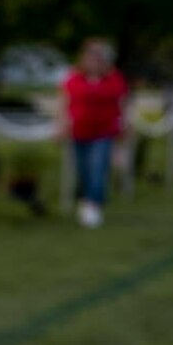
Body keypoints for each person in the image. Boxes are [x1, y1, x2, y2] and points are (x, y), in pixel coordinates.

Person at [58, 40, 128, 227]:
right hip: (80, 131)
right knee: (83, 170)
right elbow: (64, 102)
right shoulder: (73, 79)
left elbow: (121, 104)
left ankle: (93, 204)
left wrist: (124, 126)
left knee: (98, 168)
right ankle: (86, 198)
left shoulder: (113, 79)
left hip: (104, 131)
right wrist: (61, 124)